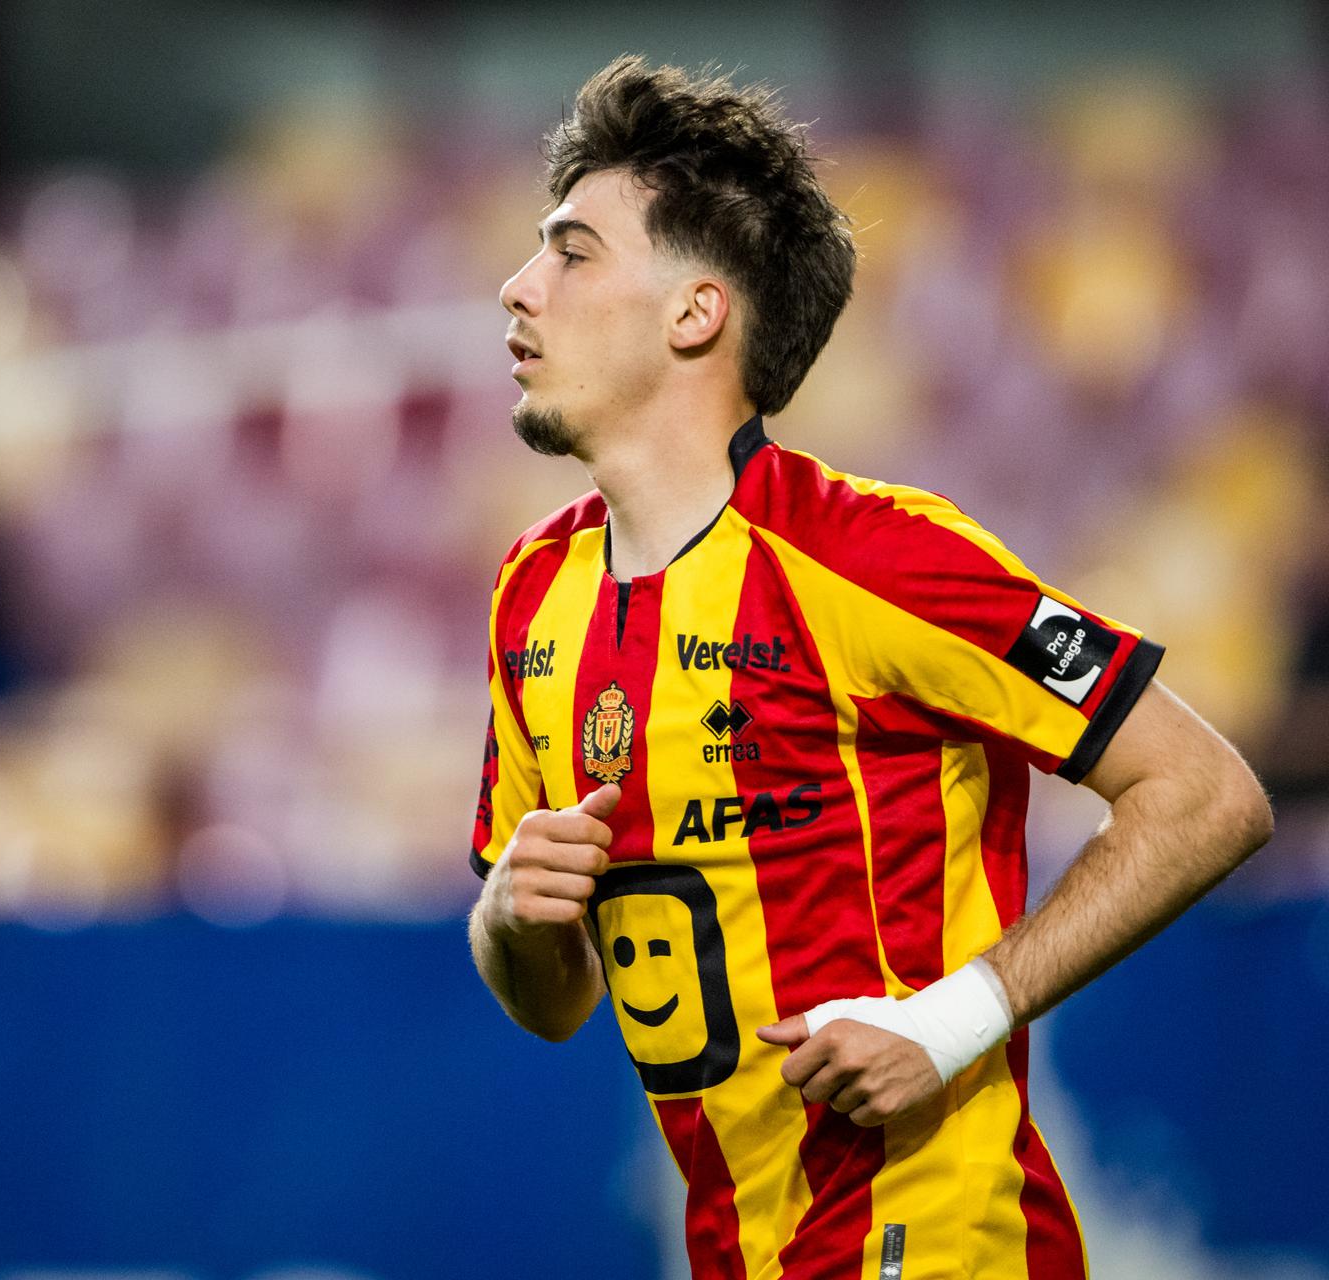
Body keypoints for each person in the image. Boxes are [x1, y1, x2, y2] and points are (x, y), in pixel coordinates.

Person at [467, 57, 1272, 1280]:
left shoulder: (872, 555)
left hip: (935, 1238)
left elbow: (1208, 793)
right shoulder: (535, 592)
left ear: (695, 313)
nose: (519, 287)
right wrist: (512, 917)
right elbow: (556, 999)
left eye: (573, 253)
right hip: (740, 1249)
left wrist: (950, 1023)